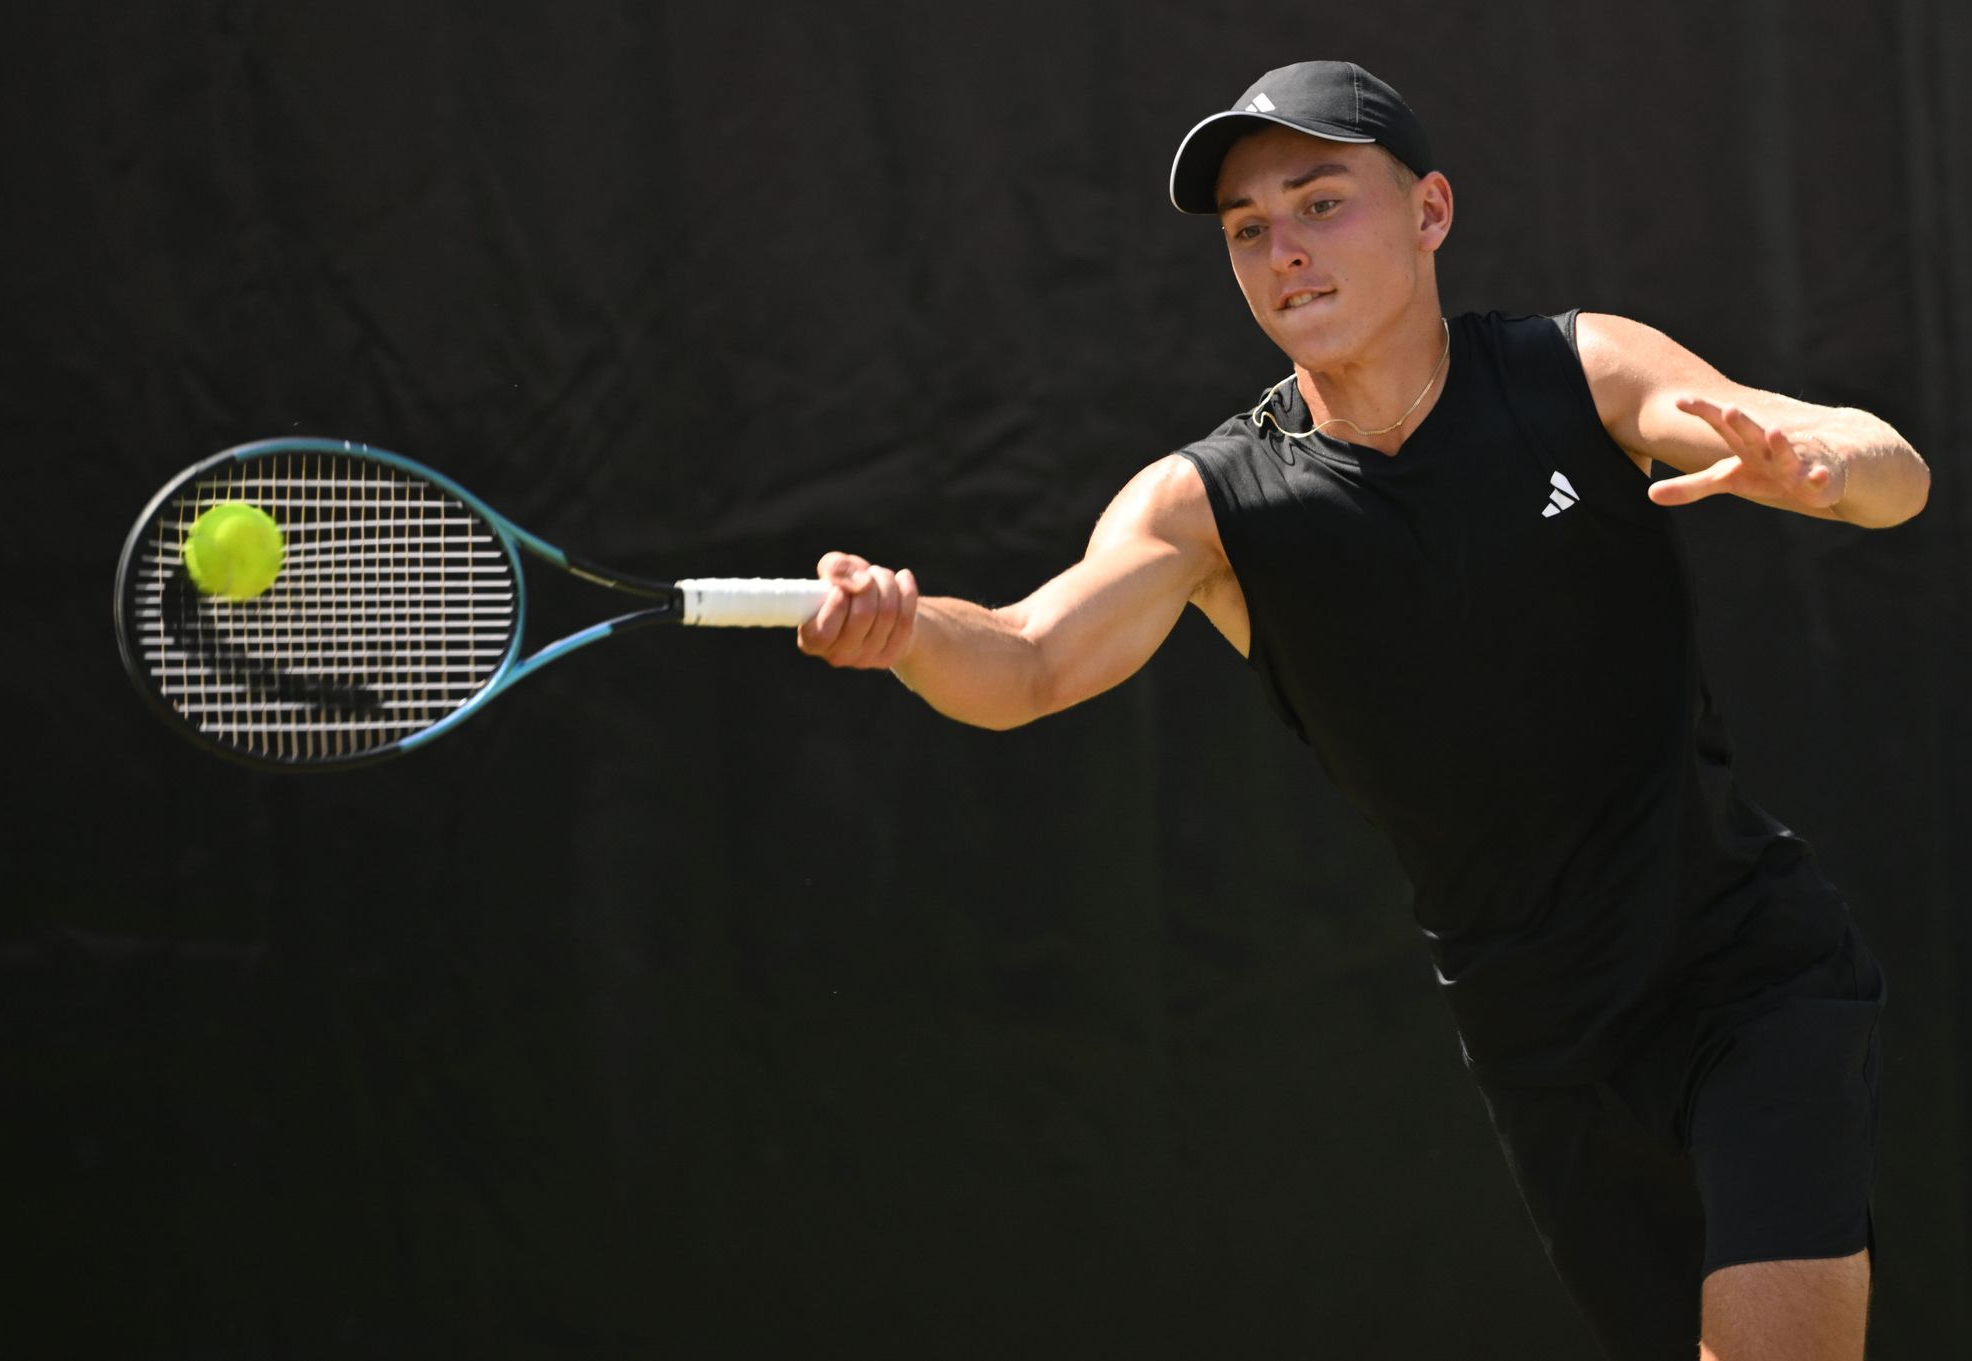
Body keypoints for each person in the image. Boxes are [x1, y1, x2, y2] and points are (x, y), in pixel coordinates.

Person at [796, 60, 1929, 1361]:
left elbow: (1882, 468)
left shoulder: (1579, 369)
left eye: (1322, 202)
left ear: (1430, 210)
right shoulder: (1209, 505)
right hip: (1545, 1047)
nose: (1285, 251)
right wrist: (906, 631)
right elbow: (1027, 659)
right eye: (1248, 229)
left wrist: (1824, 465)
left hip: (1747, 980)